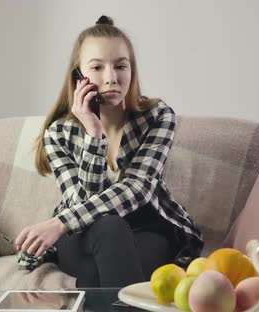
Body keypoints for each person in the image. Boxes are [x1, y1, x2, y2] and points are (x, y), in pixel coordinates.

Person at [14, 15, 203, 287]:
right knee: (108, 228)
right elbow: (83, 203)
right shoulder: (58, 133)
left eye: (120, 66)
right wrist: (94, 134)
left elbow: (138, 187)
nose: (111, 78)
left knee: (96, 273)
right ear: (79, 75)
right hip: (80, 233)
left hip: (144, 227)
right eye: (97, 67)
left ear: (132, 70)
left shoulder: (158, 117)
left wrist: (57, 224)